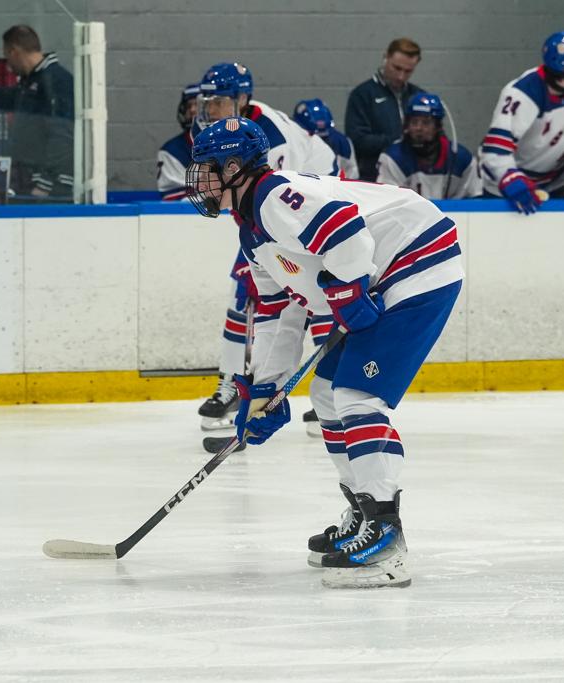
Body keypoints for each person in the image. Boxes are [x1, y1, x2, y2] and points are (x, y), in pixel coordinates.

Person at [186, 116, 463, 589]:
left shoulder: (272, 197)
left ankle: (386, 535)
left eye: (207, 169)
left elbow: (344, 229)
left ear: (234, 168)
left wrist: (347, 287)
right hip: (387, 273)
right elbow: (278, 314)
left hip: (417, 262)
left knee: (357, 396)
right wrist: (266, 391)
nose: (200, 182)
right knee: (327, 394)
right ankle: (363, 511)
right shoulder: (252, 231)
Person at [193, 63, 337, 433]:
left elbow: (279, 199)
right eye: (207, 102)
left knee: (317, 293)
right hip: (274, 214)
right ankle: (230, 384)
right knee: (243, 292)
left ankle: (332, 392)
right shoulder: (227, 133)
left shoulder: (272, 138)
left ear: (242, 98)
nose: (210, 109)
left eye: (219, 101)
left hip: (314, 209)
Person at [480, 32, 564, 215]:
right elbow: (496, 149)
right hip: (508, 188)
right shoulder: (524, 92)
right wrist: (510, 177)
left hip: (555, 185)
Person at [0, 25, 74, 202]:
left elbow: (62, 136)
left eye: (7, 57)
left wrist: (45, 185)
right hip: (32, 181)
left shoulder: (56, 80)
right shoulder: (33, 81)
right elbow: (11, 97)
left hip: (51, 189)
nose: (9, 67)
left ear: (14, 51)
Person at [345, 38, 425, 181]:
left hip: (413, 178)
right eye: (397, 68)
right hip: (372, 177)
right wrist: (400, 140)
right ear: (385, 58)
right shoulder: (363, 94)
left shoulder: (418, 96)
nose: (401, 76)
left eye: (408, 71)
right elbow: (357, 139)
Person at [376, 92, 482, 199]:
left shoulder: (462, 160)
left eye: (426, 122)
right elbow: (388, 201)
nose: (418, 128)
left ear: (438, 127)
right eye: (414, 122)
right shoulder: (393, 158)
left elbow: (475, 200)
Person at [293, 98, 360, 179]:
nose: (318, 140)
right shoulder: (294, 141)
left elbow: (352, 173)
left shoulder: (341, 142)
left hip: (333, 184)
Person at [156, 83, 200, 201]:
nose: (192, 110)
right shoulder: (171, 152)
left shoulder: (236, 143)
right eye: (189, 106)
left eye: (198, 104)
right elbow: (175, 200)